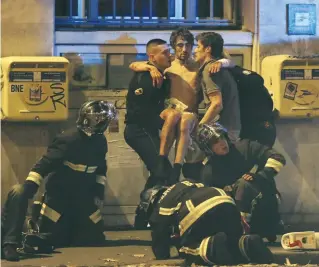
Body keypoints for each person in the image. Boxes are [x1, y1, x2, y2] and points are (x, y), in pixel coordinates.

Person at [1, 100, 118, 261]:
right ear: (89, 120)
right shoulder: (68, 139)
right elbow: (45, 164)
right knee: (52, 238)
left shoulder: (100, 141)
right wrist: (30, 186)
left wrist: (98, 191)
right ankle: (25, 237)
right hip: (60, 199)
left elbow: (101, 168)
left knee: (93, 238)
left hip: (84, 198)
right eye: (101, 120)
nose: (105, 124)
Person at [129, 28, 234, 184]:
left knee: (193, 166)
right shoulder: (168, 65)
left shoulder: (199, 65)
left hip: (190, 120)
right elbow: (134, 65)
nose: (184, 49)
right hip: (170, 119)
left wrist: (221, 62)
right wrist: (150, 68)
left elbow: (231, 62)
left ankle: (179, 173)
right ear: (173, 47)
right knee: (160, 170)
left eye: (189, 45)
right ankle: (162, 166)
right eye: (180, 45)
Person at [139, 181, 274, 266]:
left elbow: (161, 250)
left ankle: (209, 248)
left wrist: (175, 240)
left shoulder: (159, 207)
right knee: (231, 241)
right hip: (226, 203)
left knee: (186, 250)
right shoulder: (184, 184)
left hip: (200, 211)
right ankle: (245, 243)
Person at [195, 123, 286, 240]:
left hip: (264, 209)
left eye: (222, 137)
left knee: (244, 184)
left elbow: (278, 158)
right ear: (208, 148)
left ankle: (258, 227)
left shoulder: (245, 147)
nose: (222, 142)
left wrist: (260, 176)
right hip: (233, 217)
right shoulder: (208, 171)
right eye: (215, 142)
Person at [124, 38, 174, 228]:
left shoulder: (159, 73)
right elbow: (142, 112)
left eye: (169, 51)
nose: (169, 55)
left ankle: (145, 214)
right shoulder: (146, 78)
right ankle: (146, 214)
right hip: (139, 130)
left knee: (160, 171)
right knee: (164, 171)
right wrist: (167, 121)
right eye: (164, 52)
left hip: (147, 130)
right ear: (152, 57)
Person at [194, 32, 241, 141]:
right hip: (229, 128)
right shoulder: (217, 66)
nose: (195, 50)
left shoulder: (210, 70)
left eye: (198, 46)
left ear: (208, 49)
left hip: (223, 131)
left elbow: (216, 104)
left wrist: (199, 128)